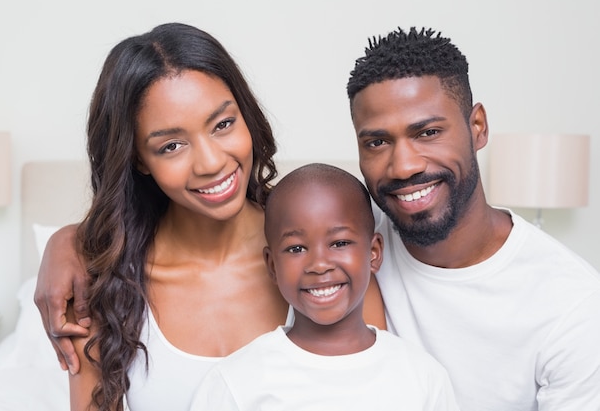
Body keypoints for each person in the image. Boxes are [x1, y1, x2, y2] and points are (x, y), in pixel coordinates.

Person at [40, 23, 387, 411]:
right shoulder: (99, 283)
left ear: (246, 114)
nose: (211, 163)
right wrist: (66, 240)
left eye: (223, 124)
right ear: (138, 157)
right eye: (172, 145)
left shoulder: (329, 255)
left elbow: (383, 389)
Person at [346, 27, 600, 411]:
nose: (403, 166)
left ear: (477, 127)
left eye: (428, 132)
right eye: (377, 143)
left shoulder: (571, 305)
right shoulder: (344, 262)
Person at [189, 163, 459, 411]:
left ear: (374, 253)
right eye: (296, 248)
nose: (319, 264)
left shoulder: (422, 377)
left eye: (339, 243)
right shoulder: (236, 382)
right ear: (272, 265)